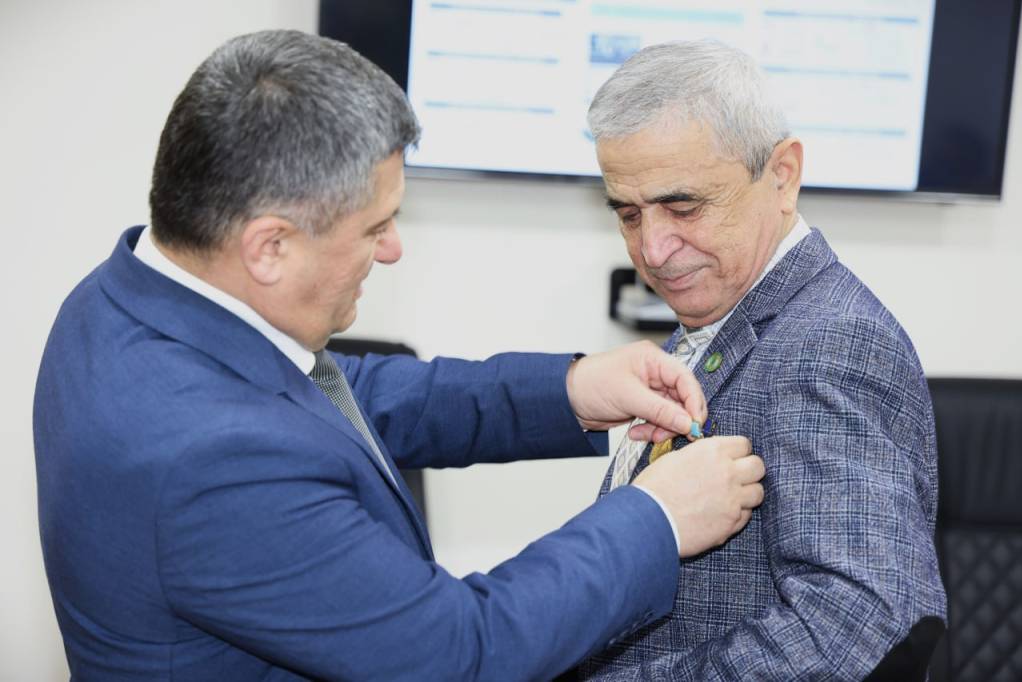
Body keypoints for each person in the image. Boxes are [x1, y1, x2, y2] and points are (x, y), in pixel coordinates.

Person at [32, 31, 766, 681]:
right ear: (270, 246)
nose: (392, 250)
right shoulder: (210, 461)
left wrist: (572, 389)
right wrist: (657, 518)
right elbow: (462, 653)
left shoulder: (126, 298)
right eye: (374, 227)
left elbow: (338, 397)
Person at [570, 41, 947, 680]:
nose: (653, 250)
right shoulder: (730, 313)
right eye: (629, 215)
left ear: (783, 176)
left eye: (684, 207)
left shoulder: (832, 343)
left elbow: (859, 624)